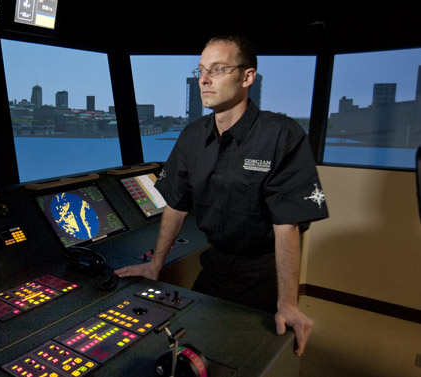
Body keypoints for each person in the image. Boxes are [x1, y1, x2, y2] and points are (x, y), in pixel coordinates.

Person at [114, 35, 328, 356]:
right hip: (215, 267)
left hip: (263, 274)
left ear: (247, 77)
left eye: (217, 69)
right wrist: (155, 264)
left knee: (249, 358)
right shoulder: (191, 136)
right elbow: (177, 203)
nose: (204, 79)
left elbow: (288, 225)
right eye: (200, 70)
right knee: (191, 349)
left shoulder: (281, 134)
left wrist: (287, 302)